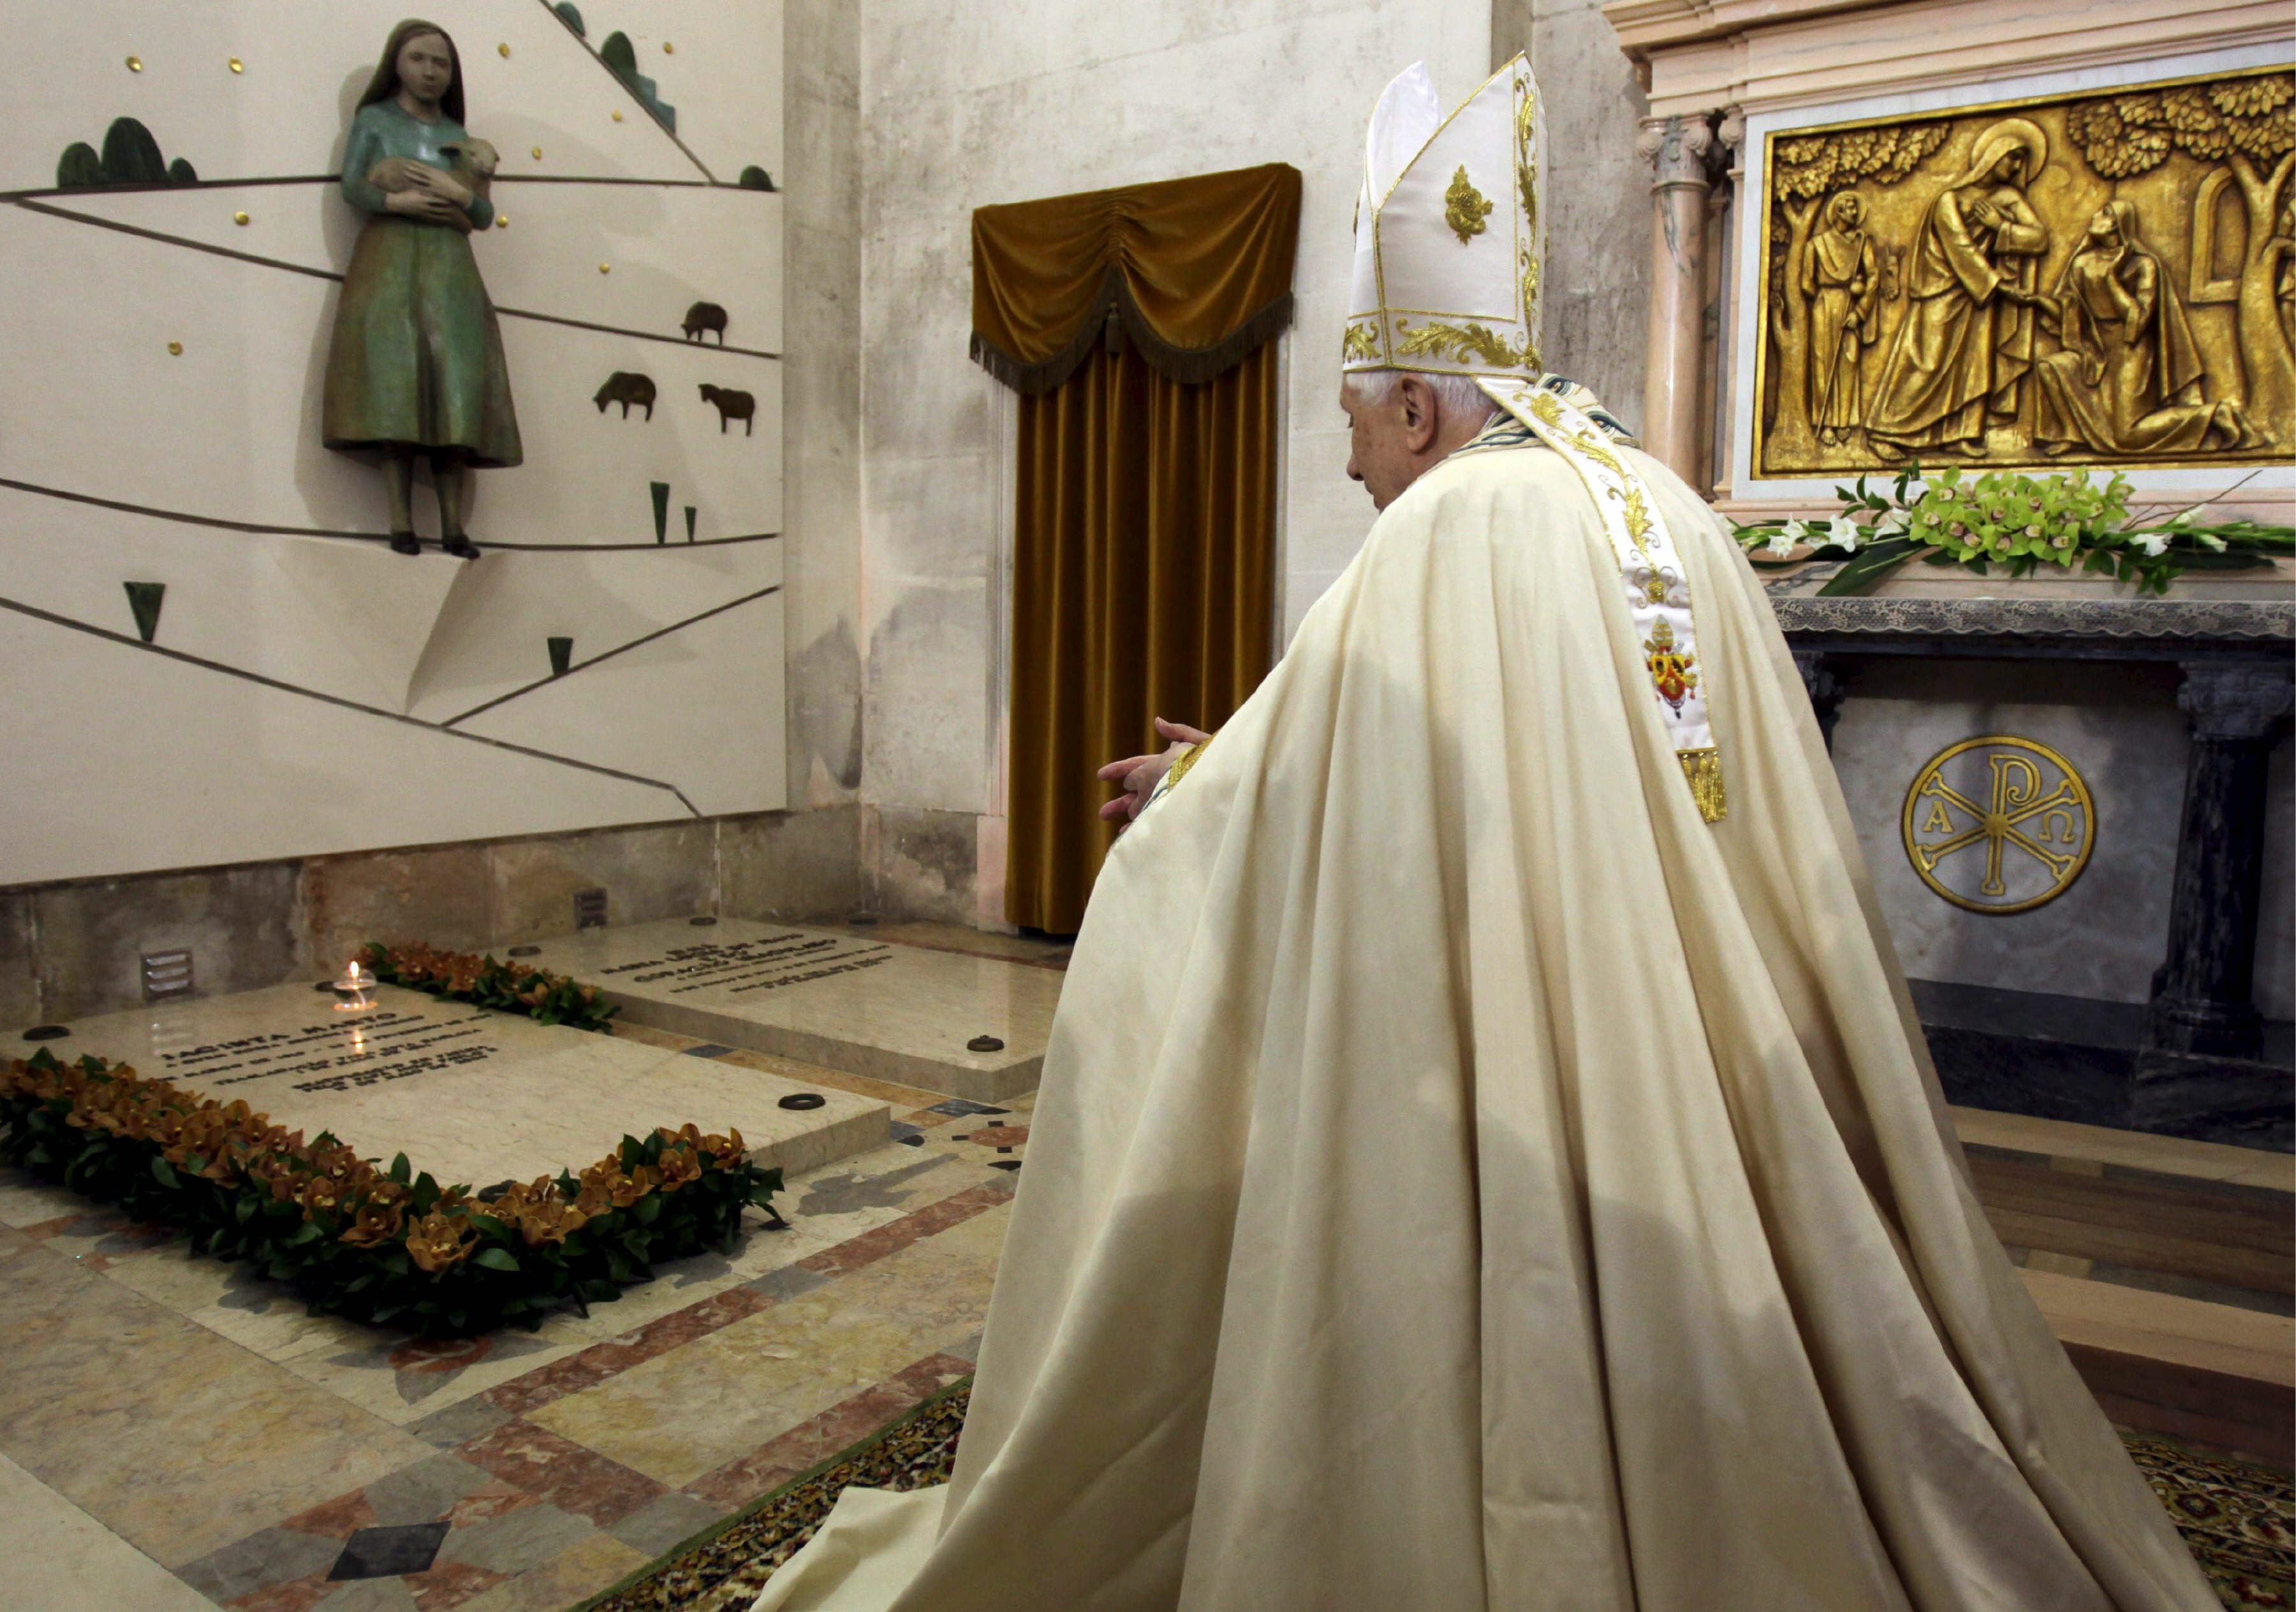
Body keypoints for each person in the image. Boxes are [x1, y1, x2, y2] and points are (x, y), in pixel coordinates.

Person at [753, 57, 2217, 1612]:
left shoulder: (1455, 523)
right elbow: (1417, 764)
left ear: (1408, 401)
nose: (1345, 462)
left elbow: (1342, 805)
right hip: (1720, 1072)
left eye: (1348, 423)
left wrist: (1183, 802)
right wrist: (1237, 768)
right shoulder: (1663, 501)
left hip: (1540, 1084)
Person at [323, 18, 523, 557]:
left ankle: (454, 525)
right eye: (419, 59)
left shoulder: (462, 138)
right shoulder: (376, 120)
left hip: (449, 267)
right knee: (397, 386)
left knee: (456, 385)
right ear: (398, 63)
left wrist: (458, 196)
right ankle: (400, 521)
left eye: (441, 63)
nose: (430, 71)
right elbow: (353, 184)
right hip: (388, 260)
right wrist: (396, 203)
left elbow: (483, 214)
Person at [1868, 119, 2050, 457]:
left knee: (1976, 365)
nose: (2016, 167)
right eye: (2012, 159)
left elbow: (2040, 238)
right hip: (1945, 291)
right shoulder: (1948, 200)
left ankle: (1963, 433)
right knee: (1927, 362)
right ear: (1993, 158)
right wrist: (1995, 283)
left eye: (2021, 162)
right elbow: (1959, 246)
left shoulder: (2009, 198)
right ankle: (1886, 429)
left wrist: (2002, 227)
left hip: (1981, 298)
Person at [2033, 200, 2251, 455]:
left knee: (2127, 435)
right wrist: (2036, 301)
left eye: (2104, 213)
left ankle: (2212, 415)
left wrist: (2112, 280)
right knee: (2050, 367)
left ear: (2116, 223)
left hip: (2131, 351)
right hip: (2095, 348)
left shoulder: (2144, 265)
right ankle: (2071, 435)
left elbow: (2137, 322)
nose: (2094, 216)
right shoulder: (2082, 263)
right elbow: (2069, 314)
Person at [1801, 190, 1880, 447]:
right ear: (1836, 212)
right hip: (1825, 306)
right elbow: (1806, 283)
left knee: (1848, 360)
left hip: (1850, 307)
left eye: (1856, 207)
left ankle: (1844, 419)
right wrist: (1829, 294)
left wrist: (1859, 309)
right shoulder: (1817, 245)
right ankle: (1825, 423)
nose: (1854, 212)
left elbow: (1873, 278)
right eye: (1848, 207)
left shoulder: (1862, 244)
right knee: (1823, 361)